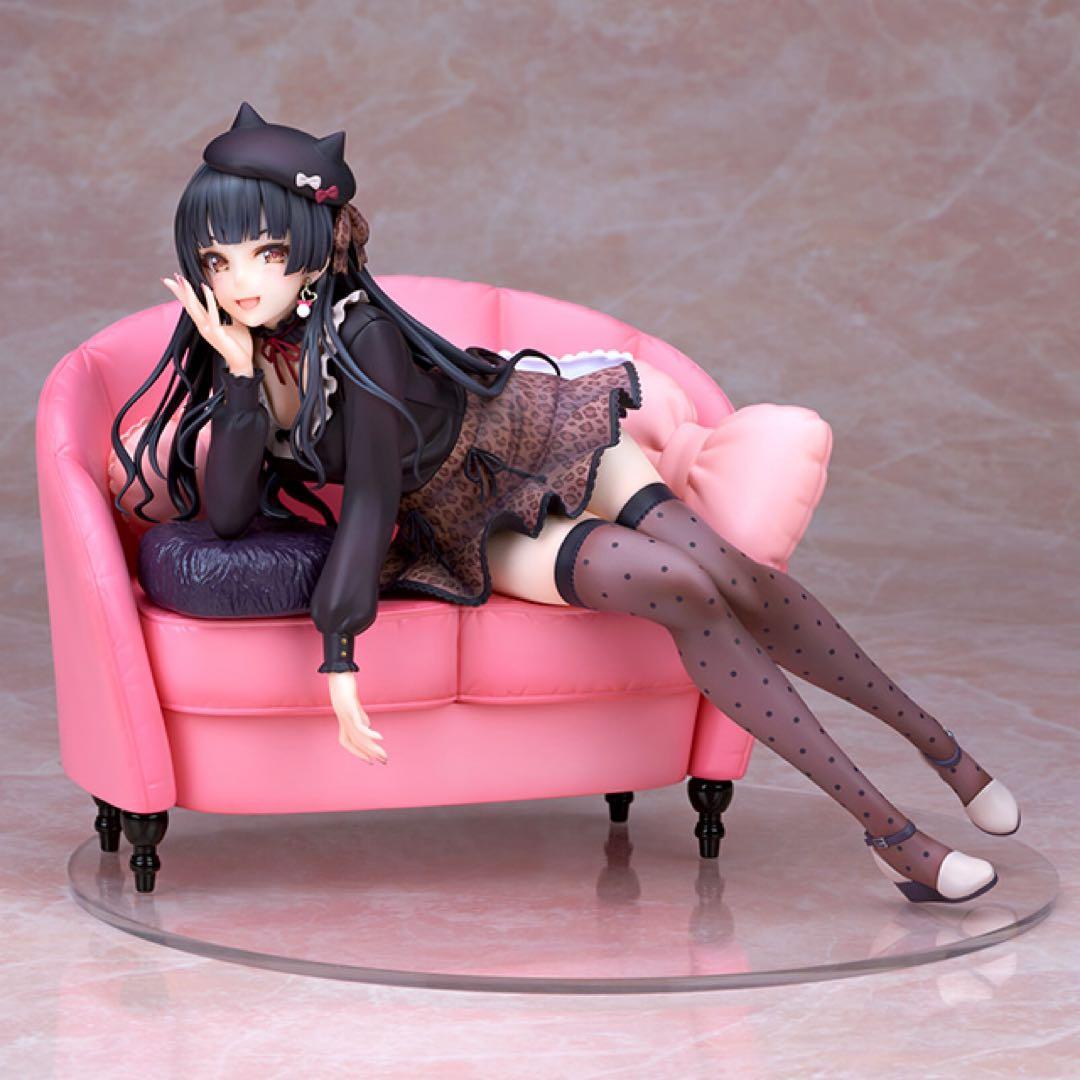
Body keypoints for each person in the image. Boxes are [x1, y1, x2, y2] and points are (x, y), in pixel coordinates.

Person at [111, 102, 1020, 905]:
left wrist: (338, 656)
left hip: (537, 433)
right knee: (681, 586)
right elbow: (228, 516)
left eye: (266, 252)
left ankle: (942, 750)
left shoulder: (366, 335)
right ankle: (889, 834)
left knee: (728, 570)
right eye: (217, 258)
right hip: (460, 516)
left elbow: (368, 496)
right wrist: (238, 379)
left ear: (313, 247)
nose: (240, 280)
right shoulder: (243, 357)